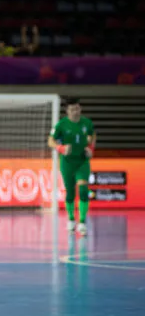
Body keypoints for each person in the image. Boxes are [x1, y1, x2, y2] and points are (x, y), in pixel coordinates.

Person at [48, 97, 96, 236]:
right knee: (70, 192)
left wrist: (91, 148)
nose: (75, 112)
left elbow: (92, 135)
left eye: (77, 109)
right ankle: (71, 219)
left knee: (83, 190)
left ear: (80, 109)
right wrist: (61, 148)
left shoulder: (87, 123)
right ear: (67, 111)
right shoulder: (61, 125)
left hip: (82, 162)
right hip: (67, 163)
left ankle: (82, 222)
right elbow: (50, 141)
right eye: (71, 109)